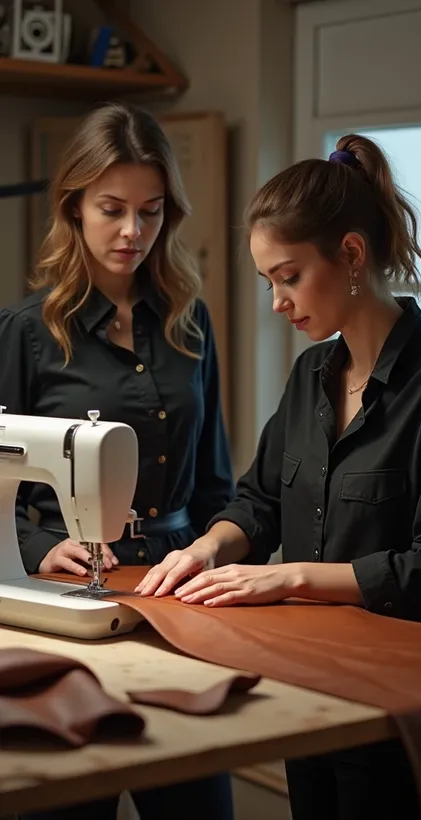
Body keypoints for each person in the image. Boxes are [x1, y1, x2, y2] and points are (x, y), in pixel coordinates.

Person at [135, 134, 421, 820]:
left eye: (288, 276)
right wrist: (206, 548)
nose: (276, 303)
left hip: (407, 700)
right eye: (268, 283)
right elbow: (260, 501)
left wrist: (287, 578)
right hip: (308, 685)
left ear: (351, 255)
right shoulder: (308, 376)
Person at [0, 101, 235, 820]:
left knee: (199, 802)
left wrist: (214, 557)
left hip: (179, 598)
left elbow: (217, 480)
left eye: (152, 211)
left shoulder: (190, 322)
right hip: (65, 599)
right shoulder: (26, 334)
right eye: (112, 209)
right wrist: (41, 545)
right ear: (73, 208)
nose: (134, 231)